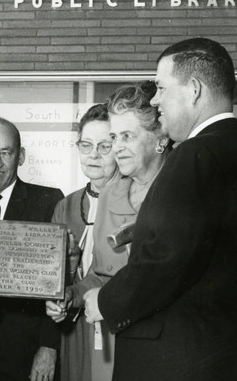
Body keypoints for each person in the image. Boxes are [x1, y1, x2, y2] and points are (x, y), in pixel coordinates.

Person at [84, 38, 237, 381]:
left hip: (179, 362)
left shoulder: (194, 155)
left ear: (194, 90)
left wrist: (104, 302)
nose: (155, 100)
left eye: (162, 88)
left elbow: (164, 261)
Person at [47, 83, 170, 381]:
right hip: (109, 346)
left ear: (161, 139)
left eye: (126, 137)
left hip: (162, 345)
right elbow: (100, 274)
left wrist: (105, 299)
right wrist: (72, 295)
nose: (116, 148)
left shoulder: (178, 190)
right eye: (114, 137)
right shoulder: (112, 194)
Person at [0, 117, 64, 381]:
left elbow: (62, 283)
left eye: (6, 152)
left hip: (28, 354)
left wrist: (49, 347)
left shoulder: (49, 202)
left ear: (21, 156)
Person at [45, 103, 121, 381]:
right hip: (75, 328)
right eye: (86, 145)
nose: (93, 155)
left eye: (104, 146)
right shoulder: (65, 206)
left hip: (116, 325)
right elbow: (52, 278)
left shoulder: (134, 201)